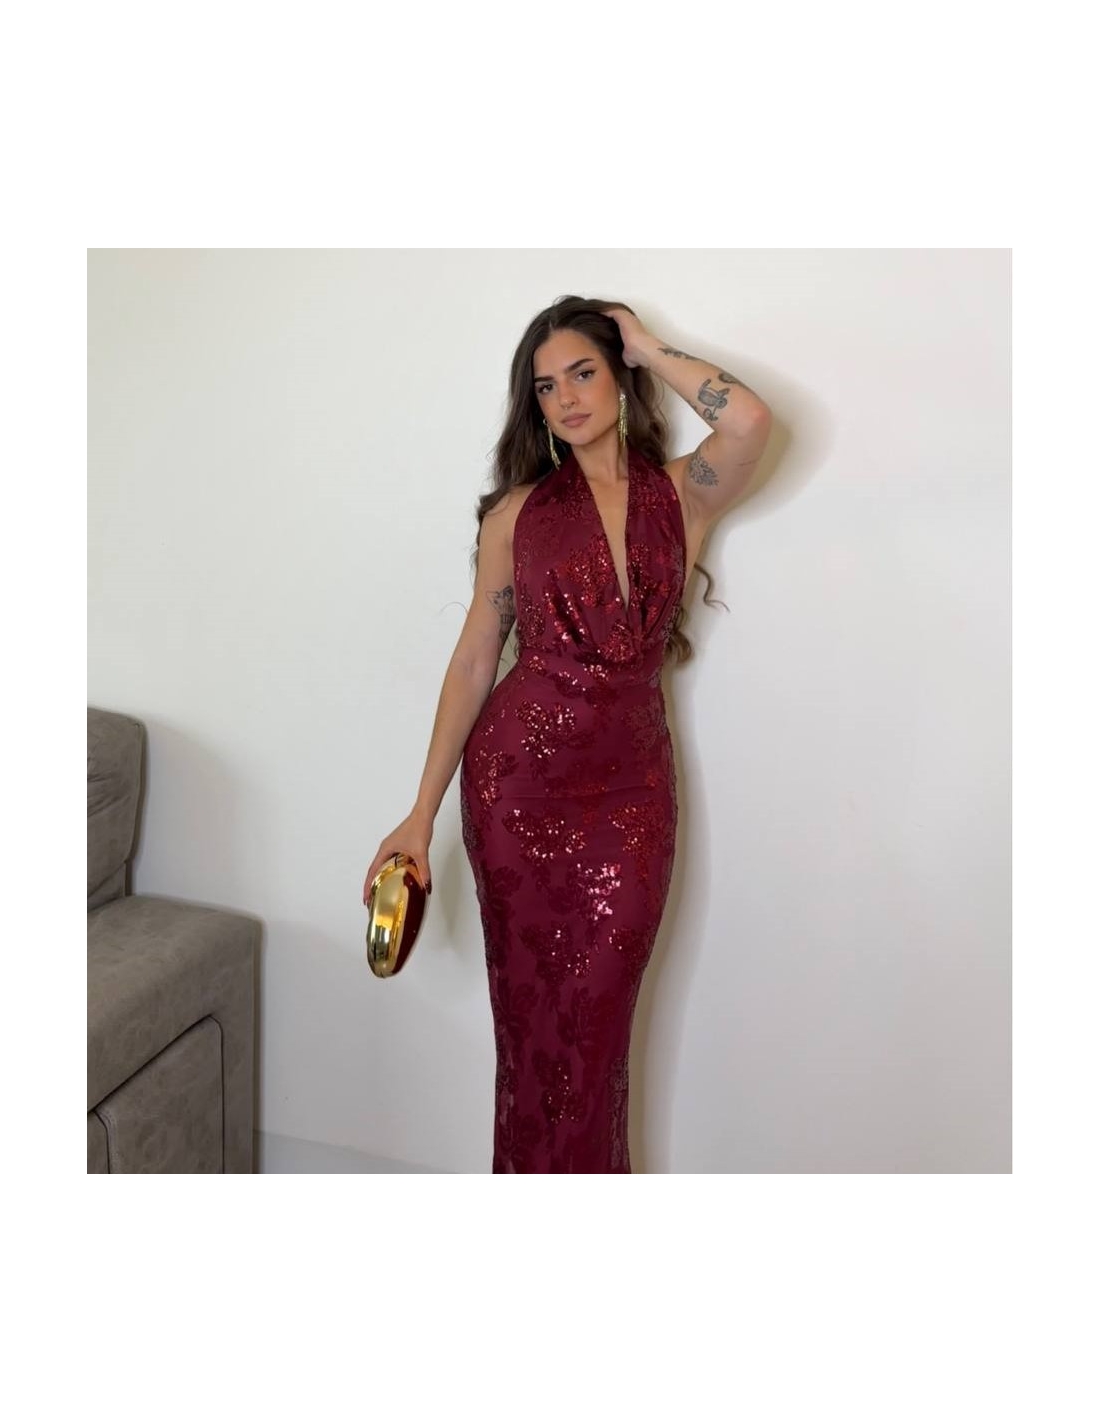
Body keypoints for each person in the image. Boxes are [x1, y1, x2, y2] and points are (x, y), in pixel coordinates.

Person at [363, 294, 773, 1172]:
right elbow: (476, 658)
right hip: (518, 792)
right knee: (532, 1037)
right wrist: (419, 815)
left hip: (630, 797)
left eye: (584, 373)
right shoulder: (515, 517)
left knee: (597, 1035)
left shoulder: (682, 494)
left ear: (619, 379)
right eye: (546, 387)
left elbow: (747, 420)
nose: (566, 398)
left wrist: (647, 345)